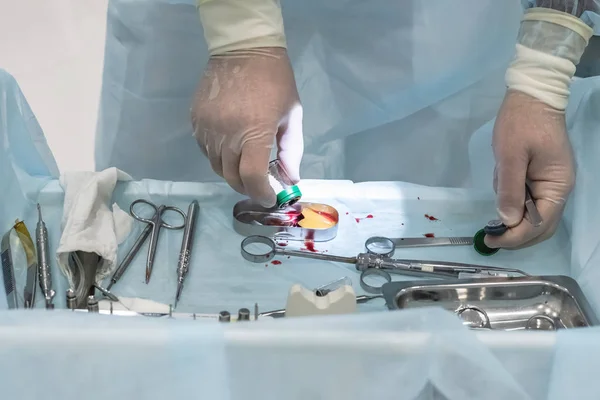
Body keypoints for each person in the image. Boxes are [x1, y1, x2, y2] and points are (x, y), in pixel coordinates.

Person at [191, 0, 597, 250]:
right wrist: (240, 33)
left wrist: (542, 73)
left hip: (451, 38)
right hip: (200, 25)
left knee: (444, 196)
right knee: (202, 215)